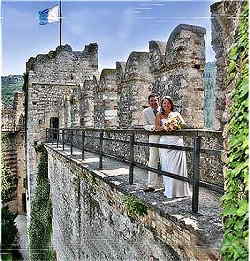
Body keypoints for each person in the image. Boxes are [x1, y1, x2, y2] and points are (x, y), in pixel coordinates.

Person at [155, 96, 191, 198]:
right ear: (162, 105)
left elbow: (183, 124)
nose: (166, 105)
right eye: (164, 103)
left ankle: (181, 191)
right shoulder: (159, 114)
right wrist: (165, 126)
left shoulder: (176, 114)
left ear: (171, 104)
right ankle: (170, 190)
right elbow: (157, 127)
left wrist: (175, 125)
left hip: (177, 142)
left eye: (168, 103)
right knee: (167, 166)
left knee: (177, 167)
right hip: (165, 142)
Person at [143, 94, 163, 192]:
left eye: (155, 100)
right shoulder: (145, 111)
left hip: (165, 138)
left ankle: (166, 185)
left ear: (158, 101)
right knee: (152, 160)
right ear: (148, 102)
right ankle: (151, 185)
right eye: (151, 101)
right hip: (153, 138)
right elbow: (145, 125)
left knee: (165, 161)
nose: (154, 102)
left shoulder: (164, 109)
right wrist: (152, 128)